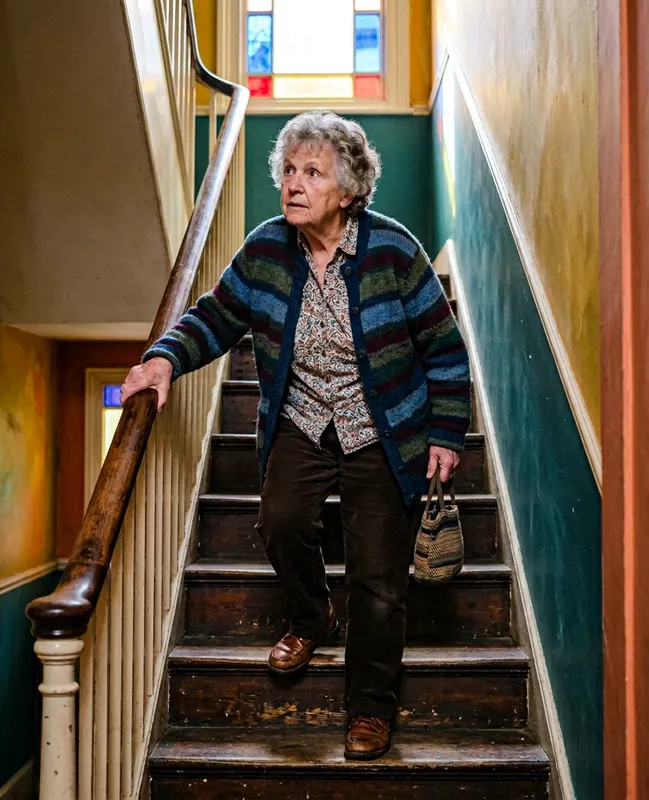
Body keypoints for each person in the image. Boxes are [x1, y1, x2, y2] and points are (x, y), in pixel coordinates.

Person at [121, 111, 472, 760]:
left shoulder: (394, 252)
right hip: (304, 419)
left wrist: (447, 434)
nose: (293, 183)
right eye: (288, 169)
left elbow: (445, 352)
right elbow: (215, 317)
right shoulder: (265, 250)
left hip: (383, 430)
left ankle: (370, 708)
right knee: (281, 520)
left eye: (313, 172)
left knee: (379, 579)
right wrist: (165, 357)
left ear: (349, 189)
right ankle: (312, 617)